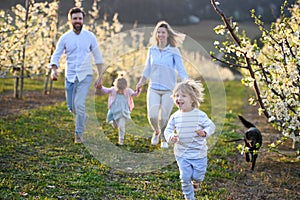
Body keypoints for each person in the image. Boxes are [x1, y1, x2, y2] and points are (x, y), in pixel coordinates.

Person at [49, 7, 104, 143]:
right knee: (71, 107)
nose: (78, 21)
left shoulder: (90, 37)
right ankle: (82, 116)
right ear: (70, 20)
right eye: (75, 19)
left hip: (85, 76)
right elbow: (56, 54)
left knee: (79, 104)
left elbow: (98, 56)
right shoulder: (65, 38)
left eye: (80, 18)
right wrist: (54, 69)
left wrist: (100, 76)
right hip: (70, 76)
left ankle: (78, 134)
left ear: (83, 20)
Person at [136, 20, 188, 149]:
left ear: (168, 34)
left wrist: (187, 83)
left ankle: (164, 137)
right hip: (153, 88)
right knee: (153, 116)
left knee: (164, 118)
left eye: (163, 32)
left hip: (169, 90)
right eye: (158, 32)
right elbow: (147, 68)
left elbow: (181, 69)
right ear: (156, 34)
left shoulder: (174, 50)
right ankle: (156, 131)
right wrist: (141, 82)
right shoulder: (152, 50)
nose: (160, 35)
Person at [164, 79, 216, 200]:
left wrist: (204, 133)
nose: (179, 98)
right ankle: (189, 197)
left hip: (199, 153)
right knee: (185, 177)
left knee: (198, 176)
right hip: (182, 153)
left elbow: (211, 126)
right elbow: (168, 130)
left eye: (183, 95)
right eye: (177, 95)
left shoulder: (200, 115)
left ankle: (197, 182)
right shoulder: (175, 116)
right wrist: (171, 136)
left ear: (192, 99)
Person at [100, 75, 141, 145]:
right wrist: (100, 87)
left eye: (122, 89)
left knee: (121, 126)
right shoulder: (113, 90)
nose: (121, 91)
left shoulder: (128, 91)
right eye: (119, 89)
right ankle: (114, 123)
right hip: (114, 110)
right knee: (115, 124)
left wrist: (138, 90)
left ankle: (121, 141)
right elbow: (105, 90)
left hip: (123, 111)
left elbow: (135, 94)